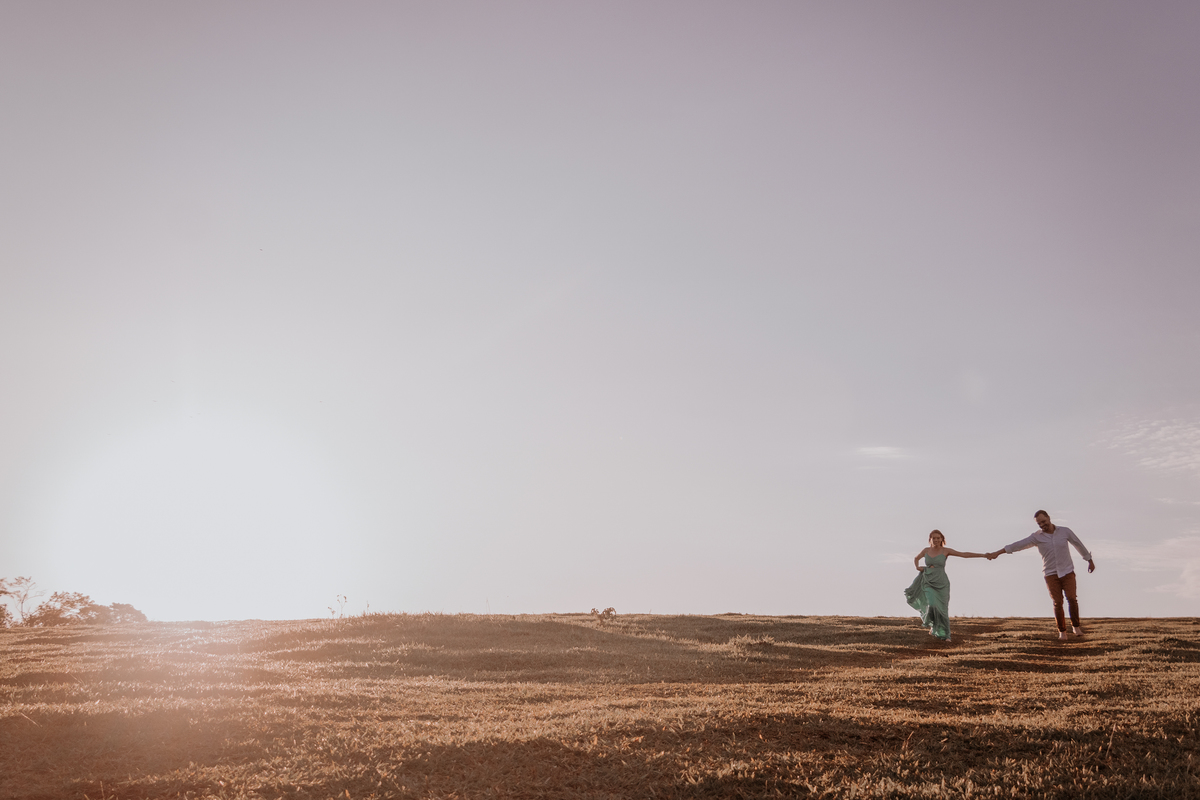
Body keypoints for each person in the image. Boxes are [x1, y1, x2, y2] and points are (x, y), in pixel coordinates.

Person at [987, 510, 1095, 640]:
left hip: (1067, 571)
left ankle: (1076, 627)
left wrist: (1089, 560)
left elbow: (1078, 544)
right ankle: (1062, 632)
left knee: (1072, 598)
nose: (1042, 525)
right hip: (1050, 574)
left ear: (1049, 518)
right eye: (1039, 524)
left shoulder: (1065, 531)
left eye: (1043, 521)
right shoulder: (1036, 537)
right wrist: (998, 553)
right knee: (1057, 602)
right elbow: (1018, 545)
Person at [904, 530, 988, 642]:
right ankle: (933, 626)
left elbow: (963, 555)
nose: (936, 540)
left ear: (942, 539)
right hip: (928, 581)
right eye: (934, 538)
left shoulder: (946, 551)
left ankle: (945, 635)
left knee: (942, 610)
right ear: (930, 539)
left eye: (938, 538)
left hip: (942, 583)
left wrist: (983, 555)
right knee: (932, 604)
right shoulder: (926, 550)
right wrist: (918, 567)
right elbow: (916, 558)